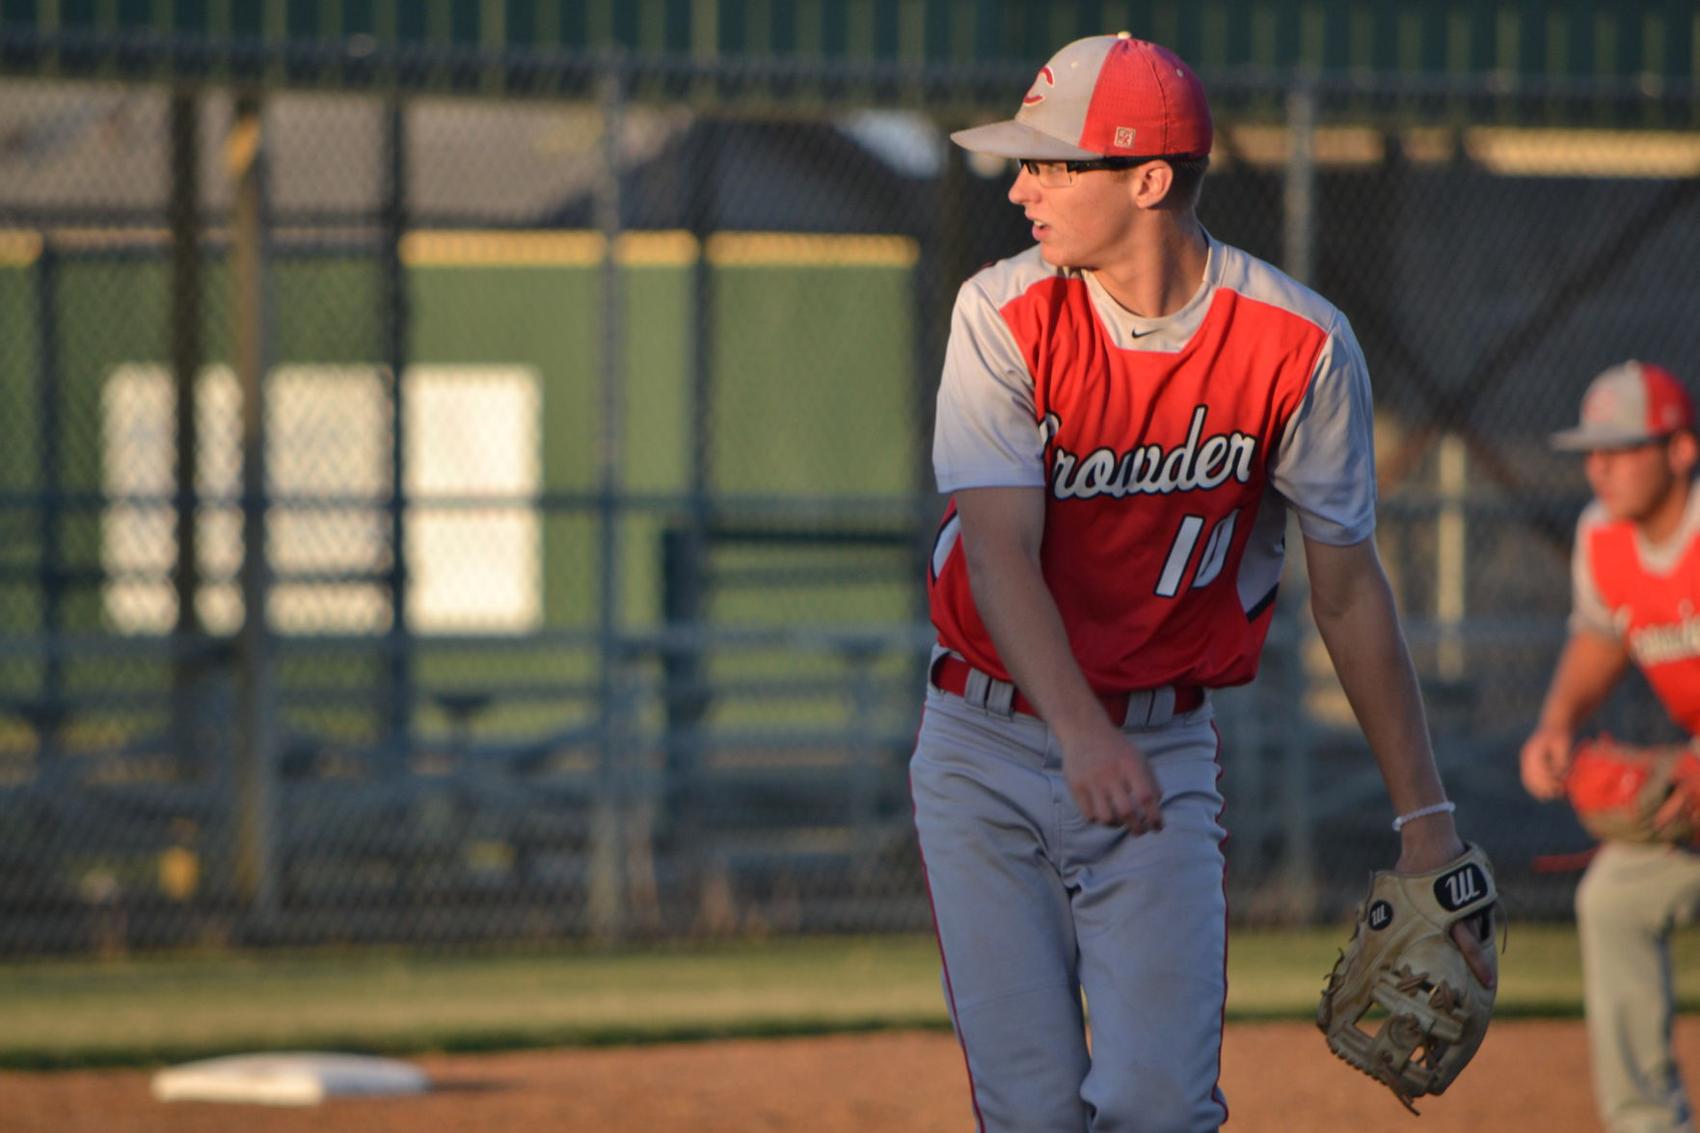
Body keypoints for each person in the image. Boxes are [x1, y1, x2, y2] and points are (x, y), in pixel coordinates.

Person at [908, 31, 1494, 1132]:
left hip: (1161, 753)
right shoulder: (1001, 314)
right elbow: (995, 551)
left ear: (1146, 178)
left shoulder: (1297, 346)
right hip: (980, 749)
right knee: (1030, 1113)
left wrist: (1427, 820)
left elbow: (1348, 591)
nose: (1019, 183)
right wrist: (1079, 729)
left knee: (1156, 1104)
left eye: (1049, 161)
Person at [1520, 360, 1700, 1133]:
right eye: (1593, 449)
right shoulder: (1602, 537)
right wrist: (1556, 722)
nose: (1601, 465)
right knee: (1614, 898)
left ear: (1681, 449)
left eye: (1624, 446)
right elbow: (1601, 634)